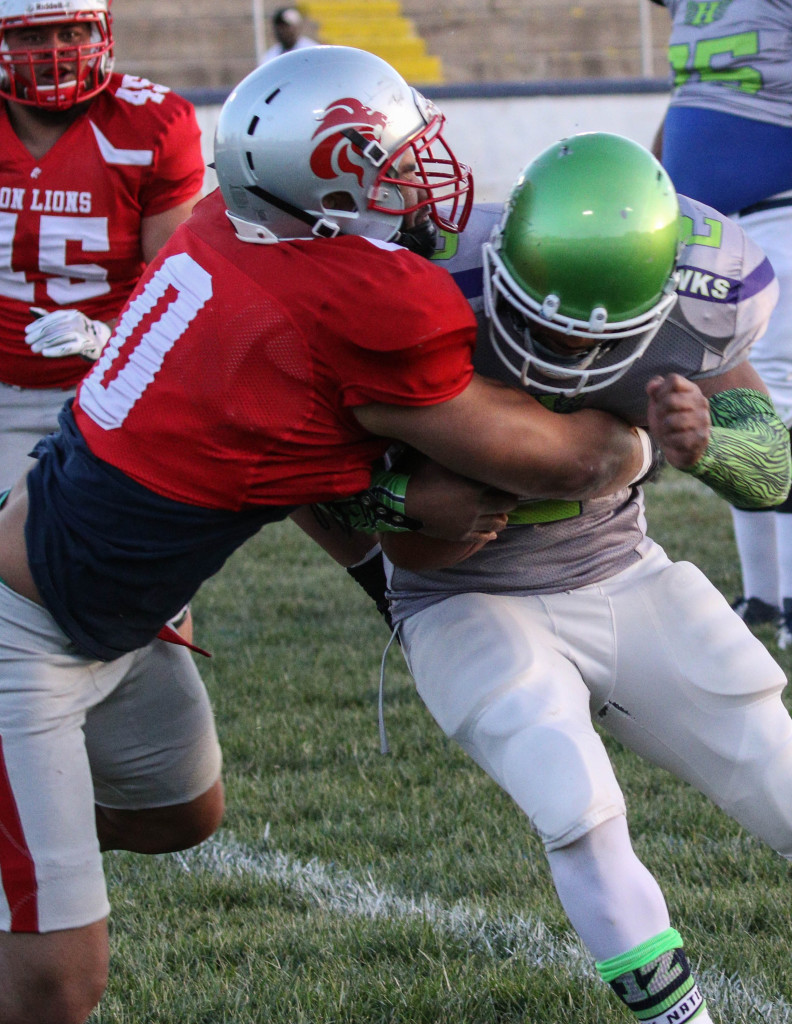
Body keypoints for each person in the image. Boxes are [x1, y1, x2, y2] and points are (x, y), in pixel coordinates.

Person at [0, 51, 654, 1024]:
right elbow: (563, 463)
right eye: (393, 163)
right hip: (27, 626)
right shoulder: (340, 300)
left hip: (116, 611)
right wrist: (657, 395)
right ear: (330, 184)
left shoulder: (236, 228)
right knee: (59, 984)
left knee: (182, 816)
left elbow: (296, 452)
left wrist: (387, 538)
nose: (420, 178)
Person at [376, 133, 792, 1024]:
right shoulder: (416, 288)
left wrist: (711, 444)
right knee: (570, 790)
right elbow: (298, 447)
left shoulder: (696, 306)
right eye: (537, 319)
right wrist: (396, 496)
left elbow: (777, 471)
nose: (565, 353)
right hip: (465, 595)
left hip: (621, 569)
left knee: (774, 762)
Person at [0, 0, 206, 493]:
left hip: (114, 379)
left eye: (72, 33)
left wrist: (107, 335)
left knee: (116, 551)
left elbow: (176, 283)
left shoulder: (153, 122)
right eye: (33, 37)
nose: (56, 53)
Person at [648, 0, 792, 645]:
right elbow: (692, 95)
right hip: (709, 236)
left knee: (782, 412)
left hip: (776, 218)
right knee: (736, 404)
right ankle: (765, 595)